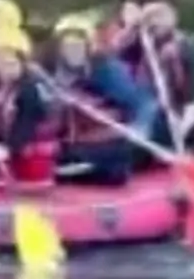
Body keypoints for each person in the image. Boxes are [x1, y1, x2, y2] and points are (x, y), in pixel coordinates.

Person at [42, 13, 158, 186]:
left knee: (113, 161)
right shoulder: (49, 74)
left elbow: (143, 103)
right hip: (71, 142)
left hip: (108, 140)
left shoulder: (106, 71)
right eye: (68, 47)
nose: (73, 52)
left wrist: (140, 128)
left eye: (78, 47)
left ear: (88, 47)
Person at [121, 2, 194, 151]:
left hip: (180, 117)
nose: (154, 26)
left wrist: (181, 133)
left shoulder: (189, 52)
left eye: (158, 21)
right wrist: (130, 26)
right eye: (150, 24)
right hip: (150, 115)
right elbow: (112, 55)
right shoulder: (142, 45)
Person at [0, 27, 57, 189]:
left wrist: (7, 149)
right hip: (16, 153)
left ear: (22, 63)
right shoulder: (4, 89)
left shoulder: (30, 88)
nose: (7, 68)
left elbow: (27, 123)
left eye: (12, 63)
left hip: (32, 159)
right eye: (1, 63)